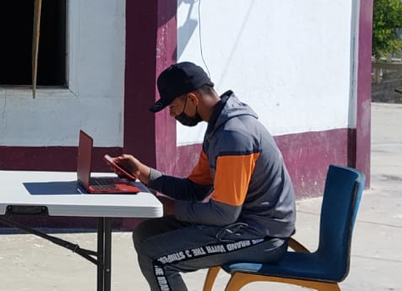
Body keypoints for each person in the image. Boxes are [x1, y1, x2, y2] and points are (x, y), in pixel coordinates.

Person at [114, 62, 296, 291]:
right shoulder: (219, 129)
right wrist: (145, 174)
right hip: (242, 225)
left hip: (262, 237)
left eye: (173, 106)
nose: (172, 114)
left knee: (155, 257)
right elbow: (195, 189)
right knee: (146, 233)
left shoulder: (234, 136)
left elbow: (223, 214)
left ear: (192, 99)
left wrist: (167, 206)